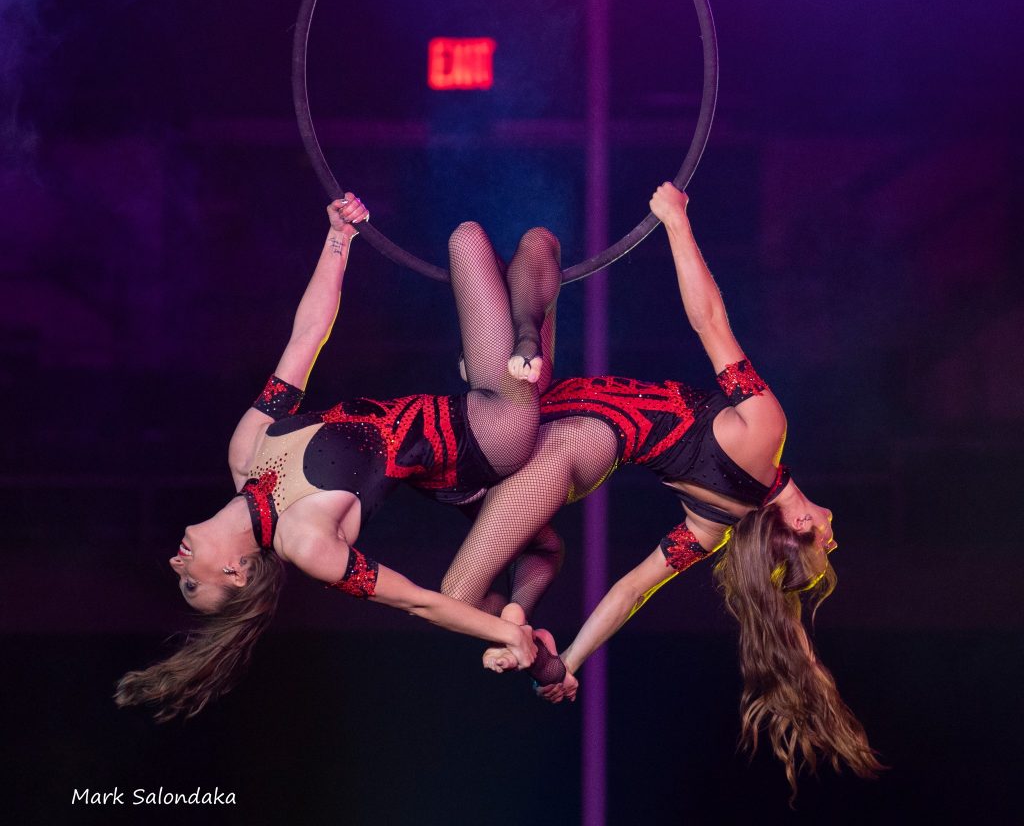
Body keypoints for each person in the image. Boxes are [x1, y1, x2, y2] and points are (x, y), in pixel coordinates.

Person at [447, 183, 881, 798]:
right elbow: (629, 593)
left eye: (824, 548)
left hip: (555, 447)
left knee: (455, 599)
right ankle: (519, 618)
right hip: (547, 403)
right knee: (538, 247)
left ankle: (514, 628)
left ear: (803, 526)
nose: (834, 541)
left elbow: (710, 322)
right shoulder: (714, 526)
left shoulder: (763, 436)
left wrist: (676, 221)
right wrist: (570, 662)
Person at [115, 194, 563, 721]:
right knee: (468, 242)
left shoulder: (245, 451)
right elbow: (417, 601)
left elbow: (306, 338)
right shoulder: (306, 543)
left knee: (527, 248)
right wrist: (506, 635)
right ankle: (529, 638)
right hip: (490, 433)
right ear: (236, 573)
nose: (177, 563)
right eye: (192, 582)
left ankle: (544, 654)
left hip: (470, 408)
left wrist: (338, 238)